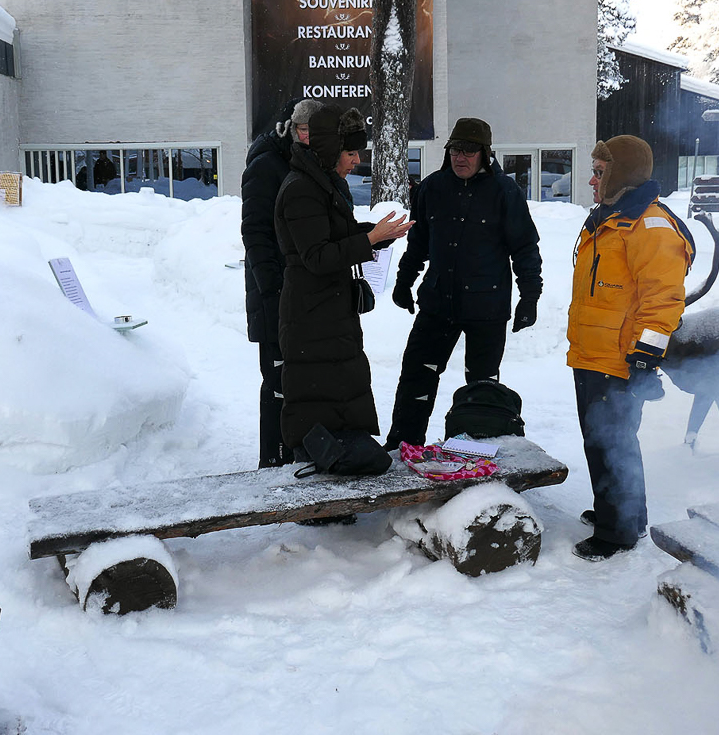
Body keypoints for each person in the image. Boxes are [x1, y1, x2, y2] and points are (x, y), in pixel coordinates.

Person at [567, 136, 695, 561]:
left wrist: (644, 358)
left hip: (619, 359)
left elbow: (663, 302)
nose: (591, 179)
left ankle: (617, 532)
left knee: (613, 443)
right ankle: (621, 514)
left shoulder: (650, 226)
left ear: (621, 173)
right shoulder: (612, 219)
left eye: (600, 172)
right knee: (603, 441)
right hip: (593, 353)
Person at [385, 117, 542, 450]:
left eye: (470, 151)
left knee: (483, 385)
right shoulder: (432, 188)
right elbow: (418, 244)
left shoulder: (505, 192)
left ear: (485, 153)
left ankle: (479, 448)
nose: (462, 157)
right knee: (417, 375)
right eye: (456, 149)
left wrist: (529, 298)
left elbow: (525, 248)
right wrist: (404, 281)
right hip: (438, 304)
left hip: (488, 308)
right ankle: (403, 445)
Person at [274, 103, 412, 458]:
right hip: (311, 317)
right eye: (351, 153)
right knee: (315, 402)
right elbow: (317, 256)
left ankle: (342, 472)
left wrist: (380, 234)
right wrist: (369, 240)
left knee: (338, 394)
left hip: (329, 312)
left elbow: (338, 236)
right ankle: (319, 488)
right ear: (330, 151)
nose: (356, 161)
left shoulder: (322, 184)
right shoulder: (301, 189)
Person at [241, 97, 322, 468]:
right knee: (277, 383)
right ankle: (271, 465)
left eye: (315, 129)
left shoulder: (307, 161)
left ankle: (297, 461)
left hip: (300, 294)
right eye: (304, 128)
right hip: (272, 293)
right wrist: (273, 292)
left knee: (301, 382)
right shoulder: (266, 165)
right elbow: (256, 235)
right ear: (289, 127)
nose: (310, 135)